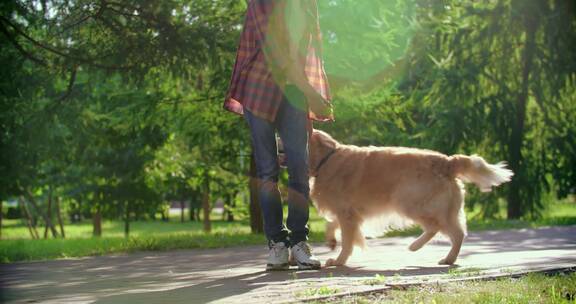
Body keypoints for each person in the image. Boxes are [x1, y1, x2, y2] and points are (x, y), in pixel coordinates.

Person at [224, 0, 333, 271]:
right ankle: (276, 243)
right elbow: (278, 54)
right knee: (267, 171)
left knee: (299, 164)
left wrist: (308, 94)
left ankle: (299, 242)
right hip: (259, 87)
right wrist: (311, 93)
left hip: (294, 92)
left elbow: (307, 53)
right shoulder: (261, 3)